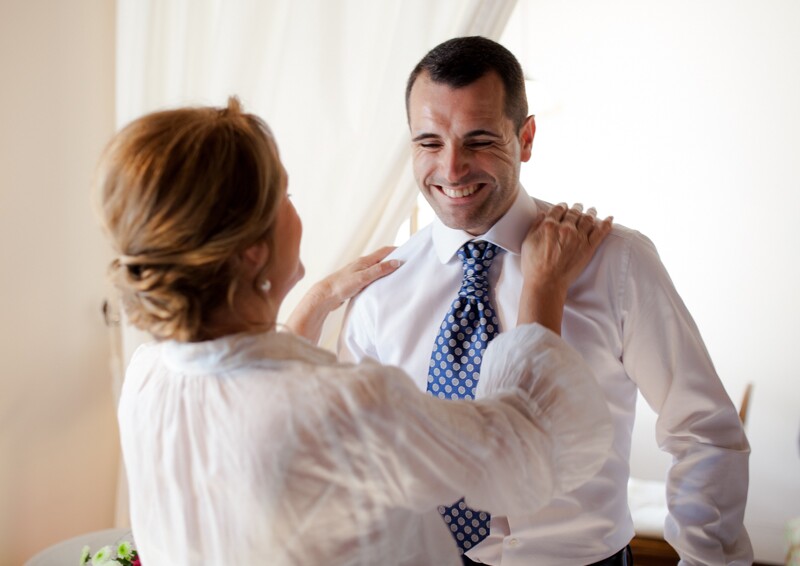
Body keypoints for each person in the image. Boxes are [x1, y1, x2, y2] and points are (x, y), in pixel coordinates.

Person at [95, 98, 615, 565]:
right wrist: (544, 286)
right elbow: (526, 451)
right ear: (251, 250)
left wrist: (317, 298)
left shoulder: (148, 378)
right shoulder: (349, 405)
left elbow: (249, 403)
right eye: (286, 194)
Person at [339, 36, 753, 566]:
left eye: (479, 139)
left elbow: (703, 431)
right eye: (429, 142)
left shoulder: (617, 264)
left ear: (526, 137)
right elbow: (354, 459)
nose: (452, 168)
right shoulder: (380, 290)